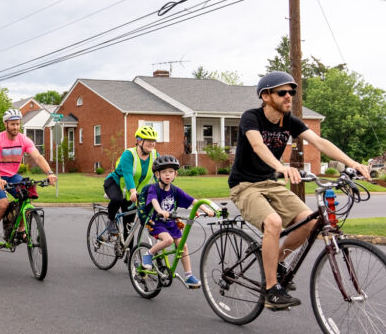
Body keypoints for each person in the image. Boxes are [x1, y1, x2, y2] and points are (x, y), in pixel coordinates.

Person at [228, 71, 371, 310]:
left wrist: (353, 163)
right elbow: (257, 144)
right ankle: (271, 291)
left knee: (309, 221)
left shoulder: (289, 121)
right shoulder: (251, 117)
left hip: (271, 183)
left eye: (291, 92)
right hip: (245, 185)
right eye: (282, 92)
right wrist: (280, 167)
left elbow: (320, 143)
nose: (289, 97)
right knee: (273, 222)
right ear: (265, 96)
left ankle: (276, 262)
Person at [0, 108, 56, 253]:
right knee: (3, 205)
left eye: (17, 124)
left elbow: (37, 157)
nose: (16, 127)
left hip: (12, 175)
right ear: (5, 124)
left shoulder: (24, 139)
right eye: (12, 124)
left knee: (27, 199)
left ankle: (20, 230)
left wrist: (49, 172)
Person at [140, 155, 214, 288]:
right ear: (157, 174)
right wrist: (160, 210)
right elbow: (154, 201)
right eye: (163, 172)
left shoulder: (175, 190)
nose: (167, 175)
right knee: (167, 241)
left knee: (182, 247)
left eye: (170, 172)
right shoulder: (154, 188)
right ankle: (148, 254)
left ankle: (188, 276)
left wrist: (207, 209)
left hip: (171, 223)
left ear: (175, 174)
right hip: (156, 223)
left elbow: (192, 200)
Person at [102, 126, 158, 238]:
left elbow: (158, 175)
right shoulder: (128, 154)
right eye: (148, 140)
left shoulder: (155, 155)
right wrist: (133, 191)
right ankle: (111, 220)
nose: (152, 143)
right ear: (139, 141)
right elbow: (128, 175)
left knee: (129, 227)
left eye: (154, 141)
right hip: (115, 183)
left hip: (134, 194)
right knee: (117, 199)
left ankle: (128, 254)